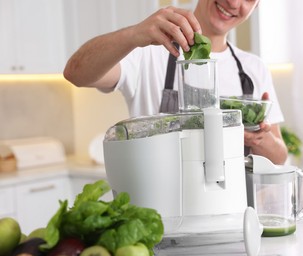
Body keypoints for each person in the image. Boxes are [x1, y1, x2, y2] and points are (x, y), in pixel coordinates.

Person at [63, 0, 288, 164]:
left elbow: (279, 158)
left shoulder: (253, 68)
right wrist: (133, 34)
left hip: (233, 215)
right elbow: (76, 73)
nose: (233, 2)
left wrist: (259, 136)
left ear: (256, 5)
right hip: (161, 216)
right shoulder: (148, 52)